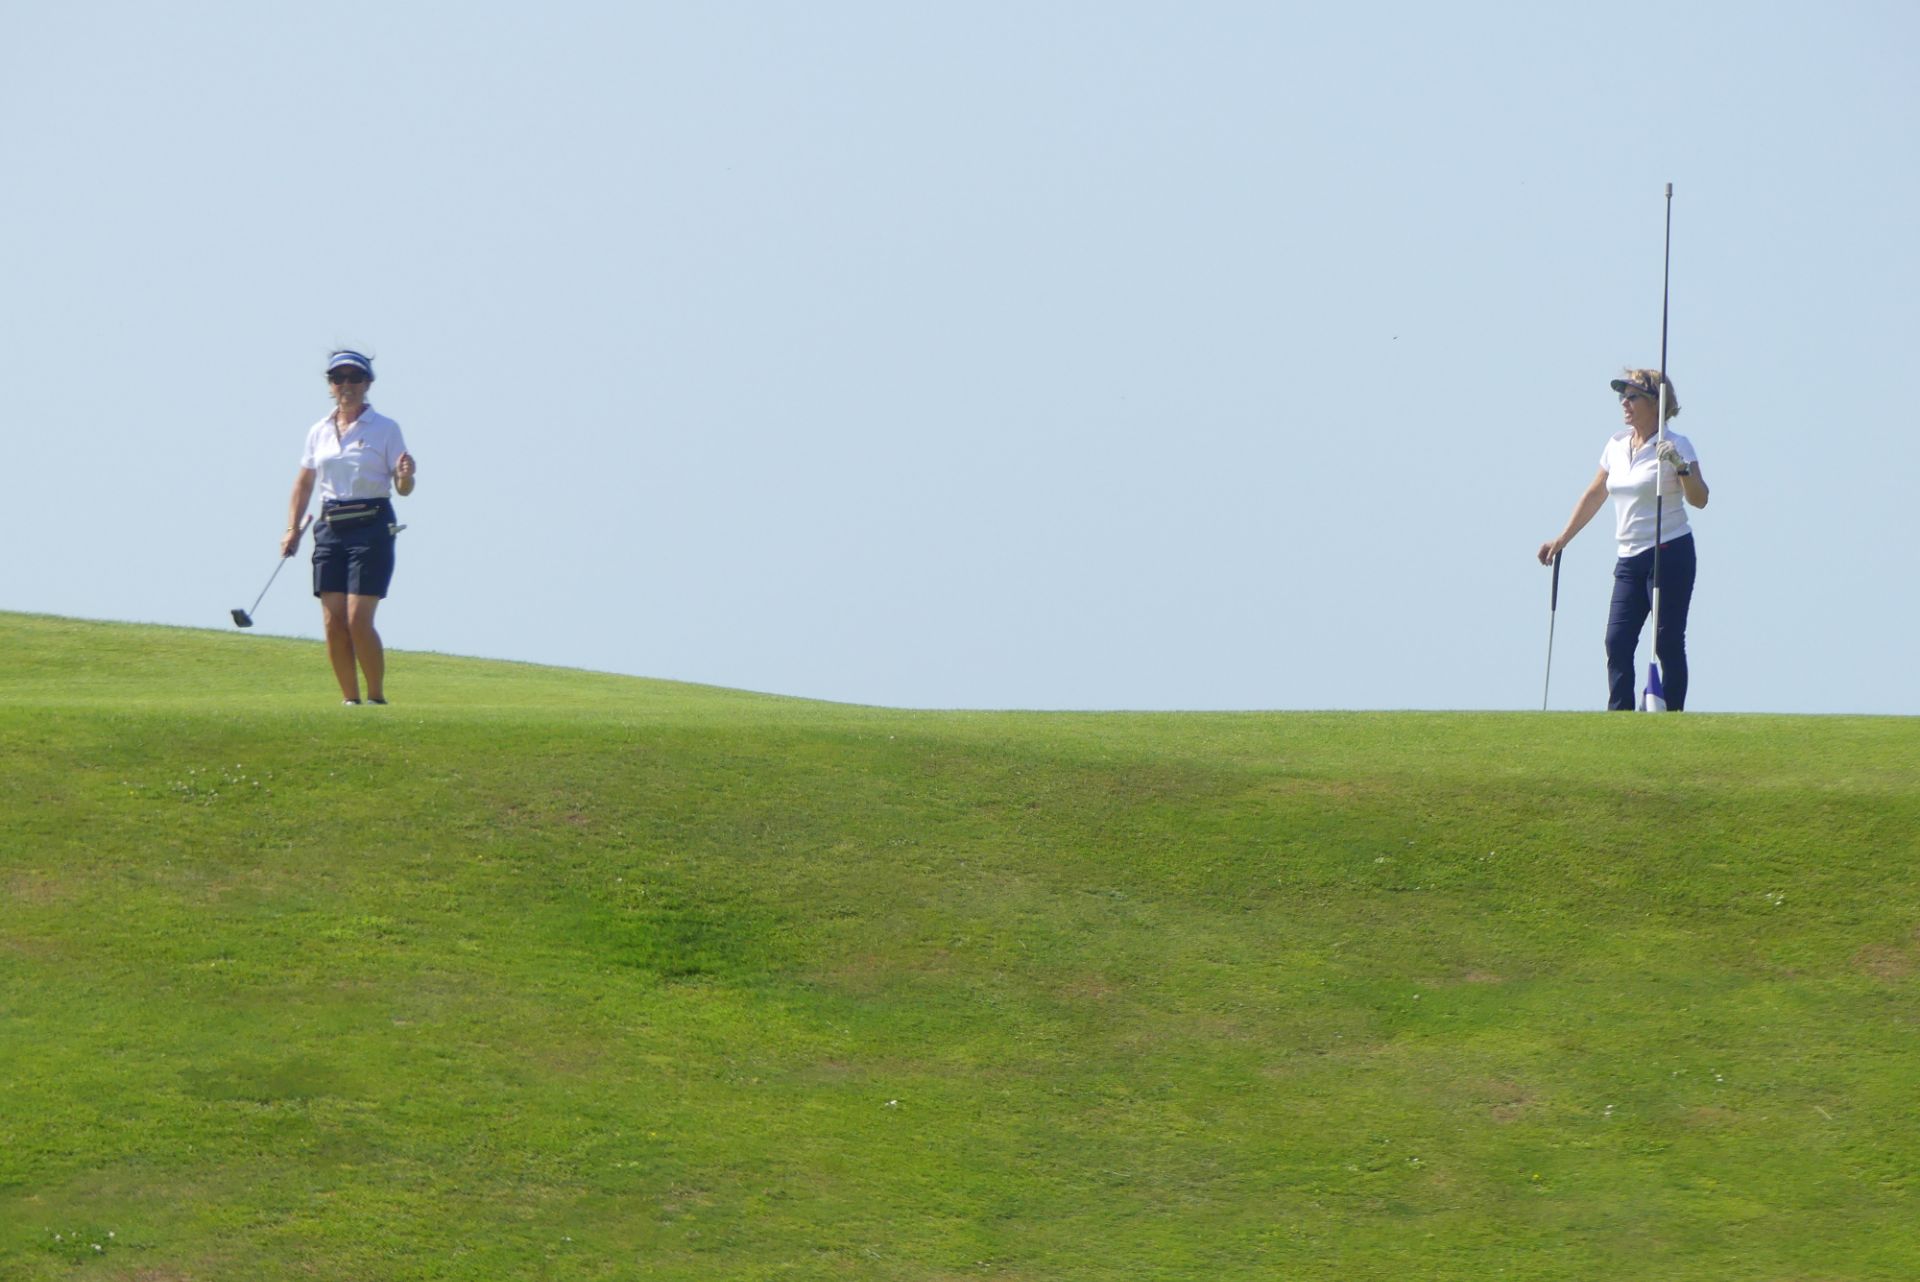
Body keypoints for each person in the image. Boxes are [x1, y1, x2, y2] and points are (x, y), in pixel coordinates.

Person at [1537, 368, 1709, 710]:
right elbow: (1595, 494)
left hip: (1669, 551)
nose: (1624, 403)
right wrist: (1563, 539)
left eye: (1632, 397)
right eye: (1622, 397)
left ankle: (1671, 716)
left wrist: (1679, 465)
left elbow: (1700, 498)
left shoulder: (1677, 444)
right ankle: (1621, 718)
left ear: (1656, 403)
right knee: (1616, 641)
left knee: (1666, 641)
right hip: (1629, 557)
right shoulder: (1615, 444)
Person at [279, 350, 417, 705]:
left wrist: (405, 476)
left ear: (367, 383)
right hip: (330, 528)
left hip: (372, 525)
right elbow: (304, 483)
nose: (346, 385)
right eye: (338, 378)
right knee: (333, 622)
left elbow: (402, 487)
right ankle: (350, 701)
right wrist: (292, 528)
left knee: (357, 619)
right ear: (330, 385)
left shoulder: (385, 428)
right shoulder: (318, 431)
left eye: (354, 378)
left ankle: (375, 698)